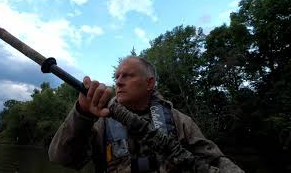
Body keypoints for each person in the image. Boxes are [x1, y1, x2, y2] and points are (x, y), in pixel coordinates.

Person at [48, 56, 244, 173]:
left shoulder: (180, 121)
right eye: (116, 76)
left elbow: (216, 161)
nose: (118, 82)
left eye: (127, 75)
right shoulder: (100, 121)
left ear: (149, 83)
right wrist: (81, 114)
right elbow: (61, 158)